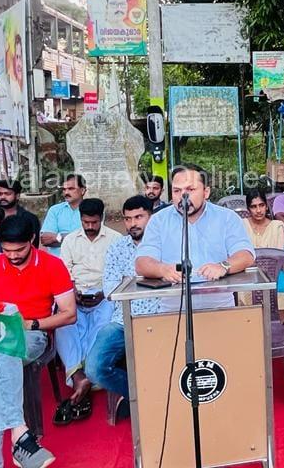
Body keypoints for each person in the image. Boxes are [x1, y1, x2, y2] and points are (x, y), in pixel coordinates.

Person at [0, 214, 76, 467]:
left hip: (32, 333)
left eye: (19, 250)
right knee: (5, 351)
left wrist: (31, 323)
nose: (13, 256)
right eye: (6, 250)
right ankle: (19, 433)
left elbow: (69, 314)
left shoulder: (53, 265)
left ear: (32, 239)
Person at [135, 164, 255, 312]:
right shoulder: (158, 220)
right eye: (177, 191)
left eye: (190, 190)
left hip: (219, 305)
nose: (183, 196)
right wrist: (163, 269)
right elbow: (142, 263)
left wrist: (223, 266)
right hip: (173, 307)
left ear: (206, 192)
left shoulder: (227, 217)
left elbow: (246, 255)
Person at [86, 196, 158, 416]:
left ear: (151, 217)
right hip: (122, 320)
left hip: (160, 317)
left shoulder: (166, 245)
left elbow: (174, 280)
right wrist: (150, 278)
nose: (132, 223)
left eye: (139, 217)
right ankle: (142, 397)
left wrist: (129, 279)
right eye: (127, 219)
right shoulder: (117, 248)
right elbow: (110, 290)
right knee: (94, 369)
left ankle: (151, 401)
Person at [54, 198, 121, 424]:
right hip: (76, 297)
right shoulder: (71, 240)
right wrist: (73, 292)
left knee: (102, 330)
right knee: (64, 327)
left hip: (105, 297)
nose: (90, 226)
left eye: (93, 222)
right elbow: (64, 273)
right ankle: (80, 376)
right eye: (85, 222)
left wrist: (103, 292)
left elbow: (119, 275)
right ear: (80, 219)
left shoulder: (115, 239)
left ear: (101, 218)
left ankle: (83, 380)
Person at [42, 173, 87, 256]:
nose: (66, 192)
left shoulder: (92, 210)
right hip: (58, 261)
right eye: (64, 189)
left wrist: (57, 237)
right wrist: (77, 239)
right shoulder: (54, 210)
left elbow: (91, 240)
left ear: (82, 190)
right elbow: (45, 240)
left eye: (70, 189)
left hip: (83, 261)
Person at [0, 178, 42, 246]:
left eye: (7, 194)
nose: (3, 197)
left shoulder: (29, 218)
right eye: (0, 194)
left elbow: (34, 245)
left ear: (17, 196)